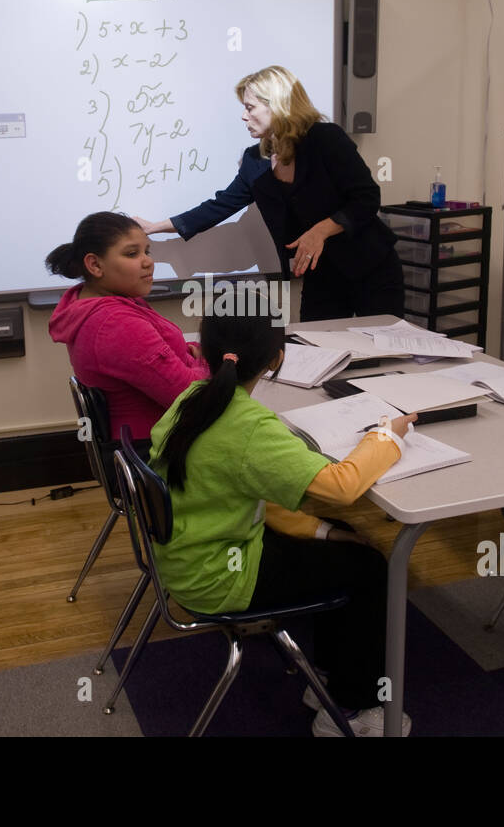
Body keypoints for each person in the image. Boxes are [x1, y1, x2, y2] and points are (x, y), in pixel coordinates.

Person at [149, 309, 417, 736]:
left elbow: (253, 491)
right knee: (369, 569)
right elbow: (342, 485)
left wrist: (326, 531)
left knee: (337, 538)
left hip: (192, 554)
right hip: (221, 574)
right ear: (276, 359)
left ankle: (331, 678)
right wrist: (387, 435)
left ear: (202, 351)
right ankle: (353, 707)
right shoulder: (248, 425)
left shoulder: (193, 398)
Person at [134, 65, 403, 322]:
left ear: (278, 105)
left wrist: (321, 230)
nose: (243, 116)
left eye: (250, 107)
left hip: (372, 266)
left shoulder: (326, 138)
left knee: (381, 354)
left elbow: (366, 198)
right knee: (320, 350)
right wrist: (156, 227)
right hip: (320, 275)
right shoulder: (255, 160)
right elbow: (220, 205)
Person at [47, 212, 209, 442]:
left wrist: (191, 351)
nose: (148, 262)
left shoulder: (100, 304)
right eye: (132, 254)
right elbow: (193, 398)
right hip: (163, 449)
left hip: (161, 436)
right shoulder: (115, 324)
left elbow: (159, 351)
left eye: (147, 251)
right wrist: (213, 363)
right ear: (95, 265)